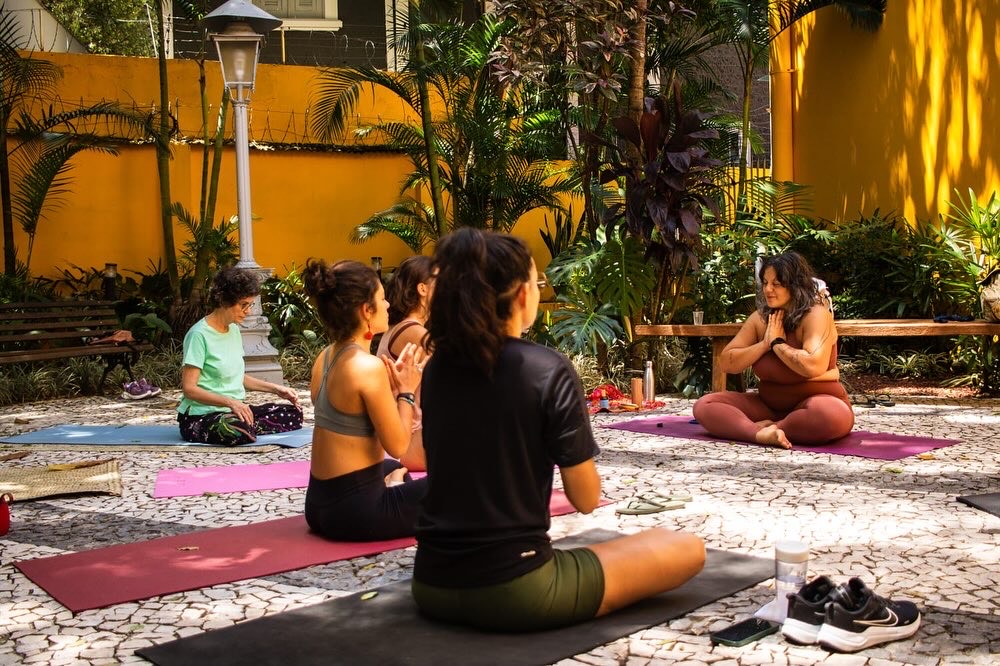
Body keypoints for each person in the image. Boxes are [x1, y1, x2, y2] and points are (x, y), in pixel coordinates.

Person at [411, 228, 705, 632]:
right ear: (521, 295)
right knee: (686, 547)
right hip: (519, 589)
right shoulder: (546, 369)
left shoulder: (437, 368)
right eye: (537, 283)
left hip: (431, 583)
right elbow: (585, 498)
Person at [302, 259, 427, 541]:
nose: (388, 305)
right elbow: (398, 445)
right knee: (461, 483)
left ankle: (393, 483)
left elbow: (354, 420)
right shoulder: (367, 367)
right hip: (358, 516)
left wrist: (392, 389)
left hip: (319, 506)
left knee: (394, 468)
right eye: (382, 299)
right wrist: (407, 391)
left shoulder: (325, 356)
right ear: (366, 310)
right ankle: (393, 489)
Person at [692, 251, 854, 449]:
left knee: (827, 416)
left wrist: (778, 343)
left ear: (795, 285)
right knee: (705, 405)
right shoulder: (760, 319)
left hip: (817, 402)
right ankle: (760, 434)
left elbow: (812, 366)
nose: (768, 289)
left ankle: (775, 427)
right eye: (765, 283)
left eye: (776, 284)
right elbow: (727, 362)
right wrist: (764, 344)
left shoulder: (816, 315)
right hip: (767, 405)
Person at [178, 267, 303, 445]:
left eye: (249, 305)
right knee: (236, 430)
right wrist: (231, 403)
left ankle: (246, 425)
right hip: (201, 416)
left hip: (231, 411)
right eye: (243, 305)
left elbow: (237, 376)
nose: (248, 311)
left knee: (294, 414)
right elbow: (189, 389)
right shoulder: (198, 335)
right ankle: (244, 426)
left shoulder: (234, 330)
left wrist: (276, 389)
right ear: (224, 301)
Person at [376, 255, 435, 472]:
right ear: (423, 289)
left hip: (404, 441)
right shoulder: (414, 332)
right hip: (407, 445)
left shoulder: (402, 327)